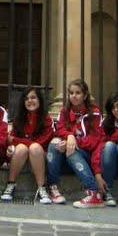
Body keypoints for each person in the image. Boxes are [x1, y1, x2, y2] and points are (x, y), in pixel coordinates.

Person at [46, 78, 106, 208]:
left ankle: (93, 192)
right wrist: (69, 137)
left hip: (86, 157)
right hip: (69, 157)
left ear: (85, 95)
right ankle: (53, 188)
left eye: (78, 93)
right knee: (54, 144)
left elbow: (94, 140)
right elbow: (60, 128)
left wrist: (73, 142)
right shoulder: (65, 111)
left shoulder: (94, 112)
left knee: (71, 151)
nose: (74, 96)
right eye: (71, 93)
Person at [0, 86, 54, 204]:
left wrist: (15, 140)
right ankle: (10, 184)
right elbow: (10, 139)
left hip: (39, 155)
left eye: (33, 97)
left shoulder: (47, 119)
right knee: (21, 148)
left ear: (39, 100)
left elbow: (41, 142)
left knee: (34, 147)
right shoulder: (19, 118)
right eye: (27, 98)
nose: (30, 101)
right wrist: (12, 145)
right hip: (21, 154)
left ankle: (42, 188)